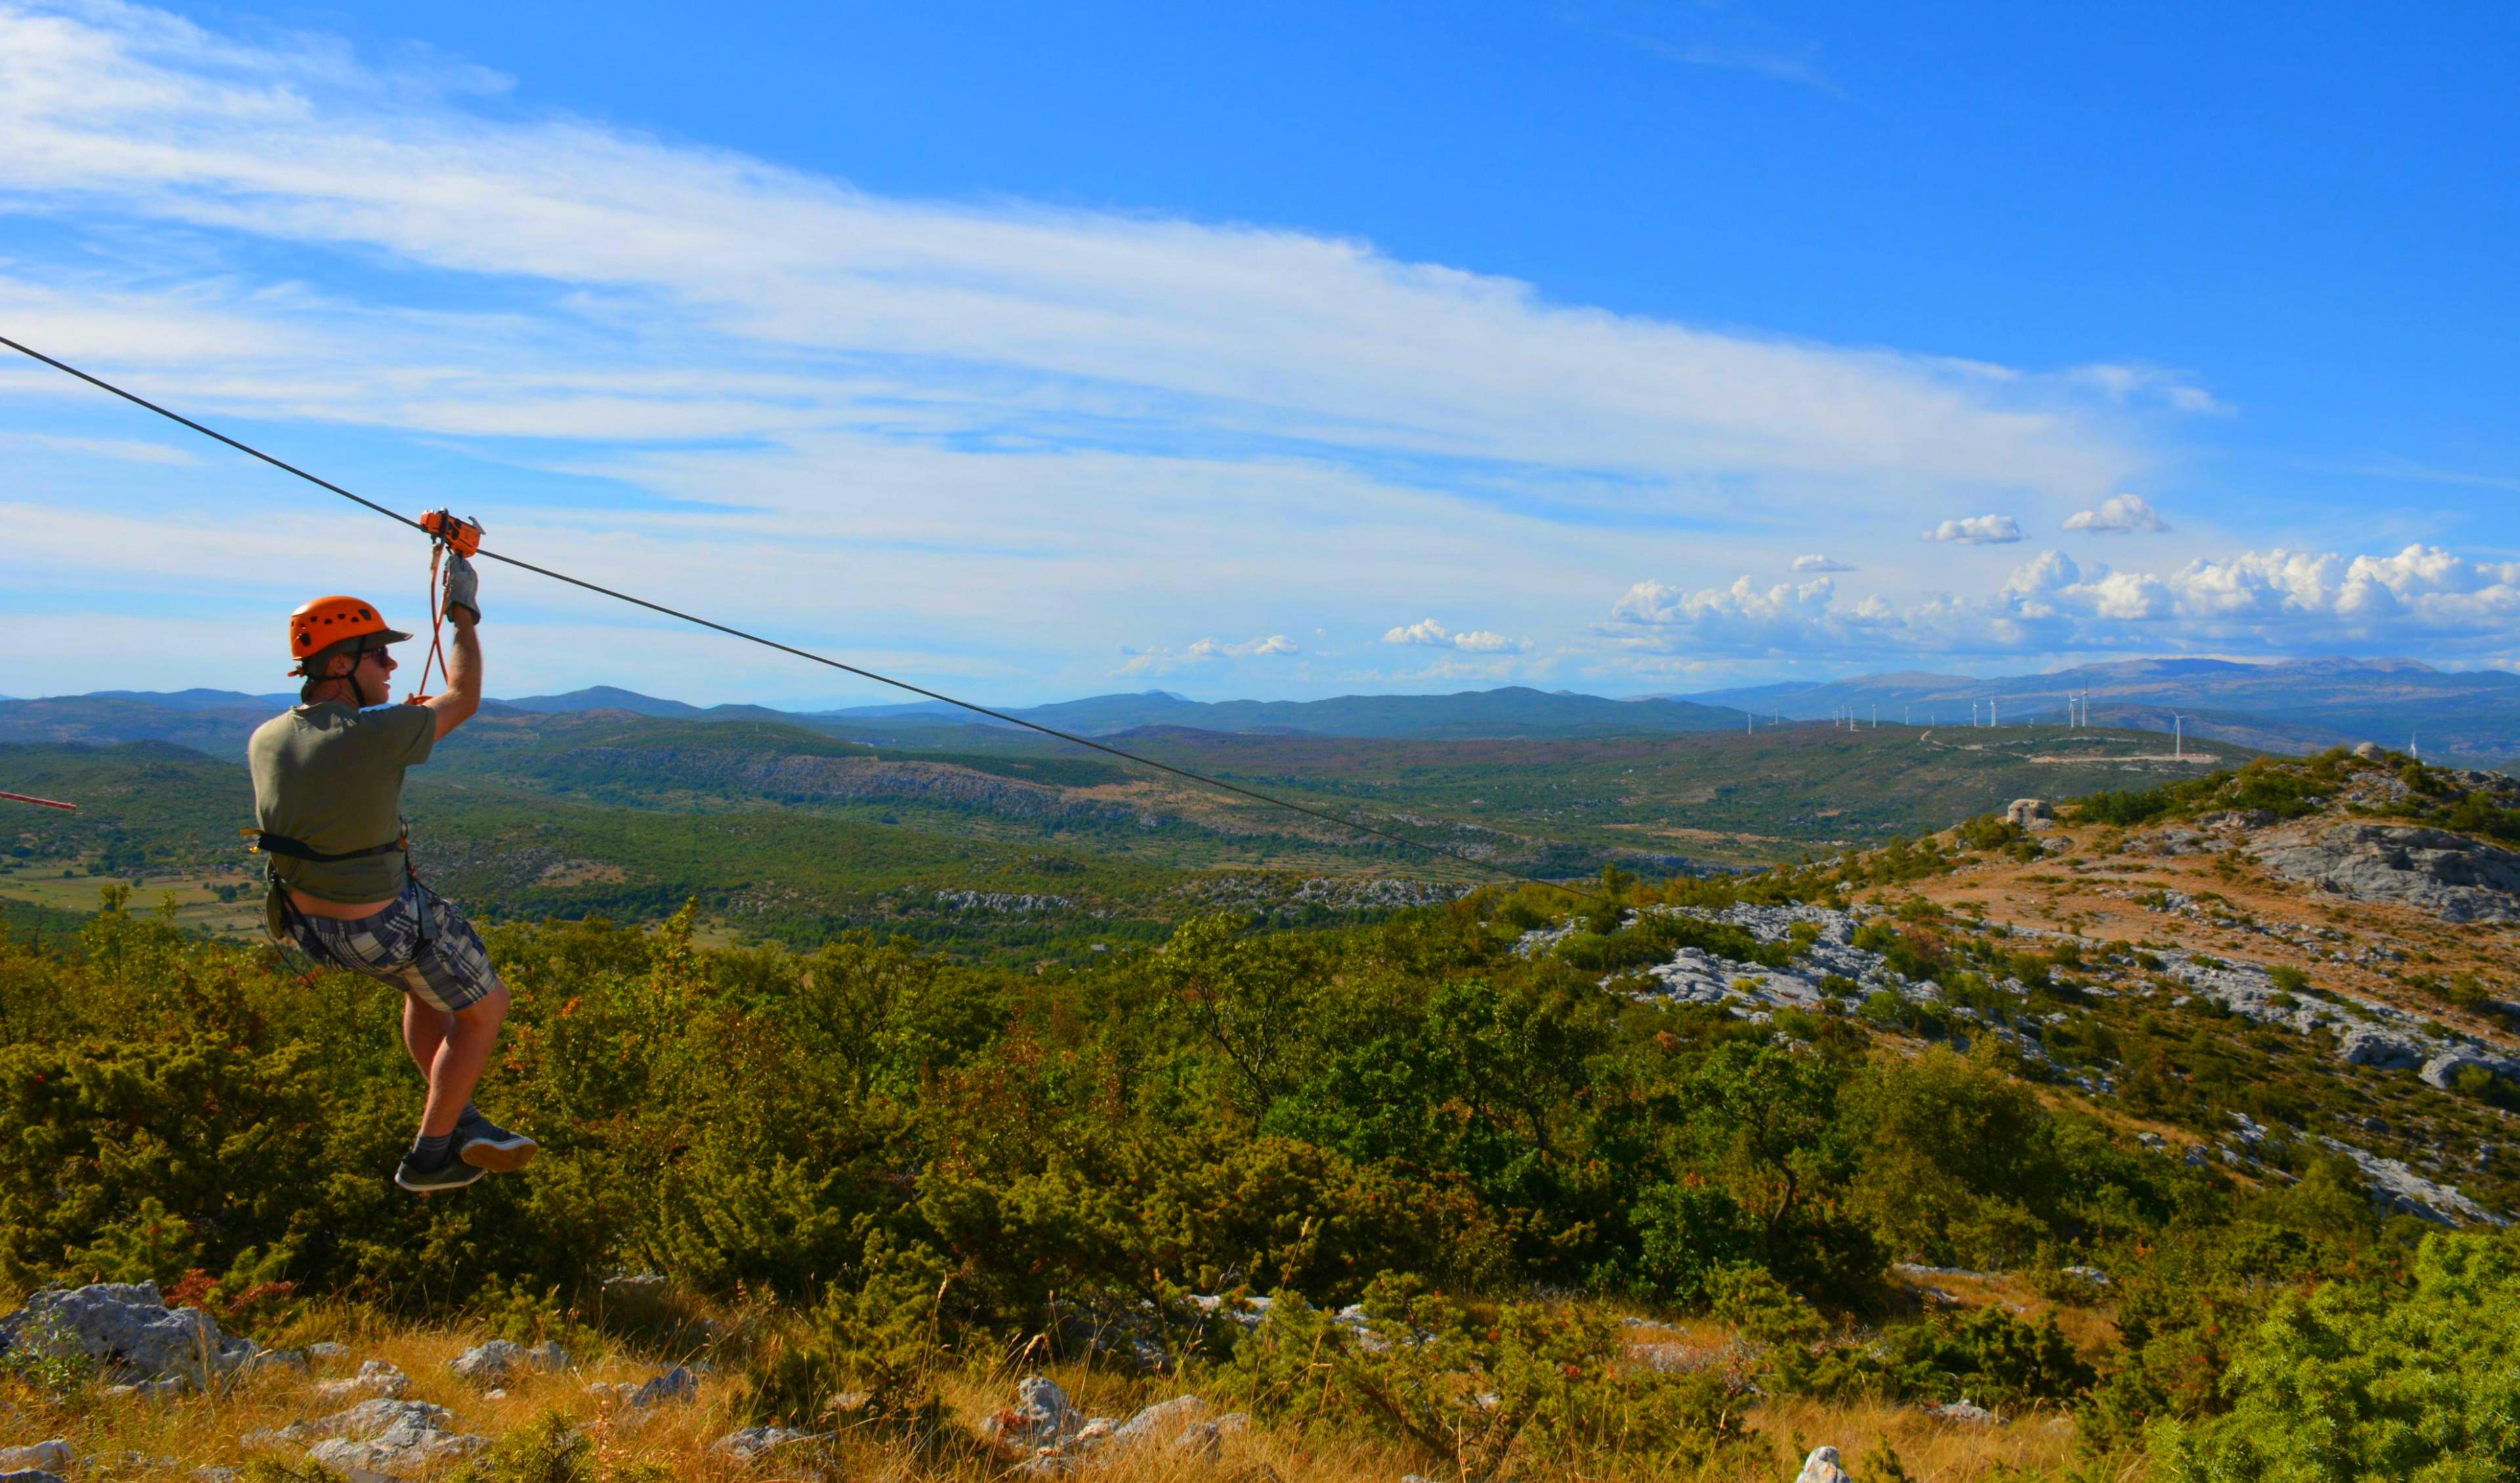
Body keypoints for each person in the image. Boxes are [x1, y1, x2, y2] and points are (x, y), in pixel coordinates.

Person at [247, 553, 536, 1194]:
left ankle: (458, 1113)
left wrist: (390, 725)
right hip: (382, 923)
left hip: (312, 929)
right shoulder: (375, 735)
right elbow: (464, 696)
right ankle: (433, 1153)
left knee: (425, 990)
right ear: (342, 663)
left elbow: (330, 780)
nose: (393, 665)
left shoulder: (266, 737)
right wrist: (463, 614)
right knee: (487, 1008)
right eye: (380, 653)